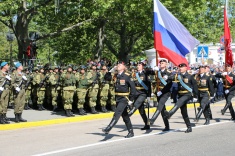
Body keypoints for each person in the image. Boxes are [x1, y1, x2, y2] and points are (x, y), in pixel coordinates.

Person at [102, 61, 136, 138]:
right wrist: (111, 70)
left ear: (124, 67)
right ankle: (131, 132)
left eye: (120, 65)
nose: (118, 66)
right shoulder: (115, 75)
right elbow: (106, 78)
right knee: (125, 116)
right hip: (117, 98)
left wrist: (131, 100)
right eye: (118, 65)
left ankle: (109, 128)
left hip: (124, 98)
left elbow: (133, 89)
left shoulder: (127, 76)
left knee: (117, 113)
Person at [164, 63, 198, 133]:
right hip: (180, 94)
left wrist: (195, 96)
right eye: (180, 67)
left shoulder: (190, 76)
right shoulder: (177, 76)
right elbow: (171, 77)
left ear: (186, 68)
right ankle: (189, 127)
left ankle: (170, 113)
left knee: (179, 102)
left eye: (182, 67)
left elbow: (195, 86)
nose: (180, 68)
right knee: (184, 112)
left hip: (187, 94)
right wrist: (166, 77)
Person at [128, 61, 153, 130]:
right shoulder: (134, 74)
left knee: (137, 103)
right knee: (141, 110)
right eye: (137, 65)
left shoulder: (145, 74)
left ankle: (130, 113)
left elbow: (149, 86)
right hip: (136, 93)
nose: (138, 66)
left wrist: (149, 97)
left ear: (142, 66)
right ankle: (147, 124)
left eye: (139, 65)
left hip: (143, 93)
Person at [149, 59, 173, 131]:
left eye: (163, 63)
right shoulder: (157, 72)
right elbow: (148, 73)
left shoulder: (169, 72)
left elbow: (170, 82)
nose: (161, 64)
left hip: (165, 92)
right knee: (162, 110)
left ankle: (152, 119)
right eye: (160, 63)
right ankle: (167, 126)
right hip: (158, 92)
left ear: (166, 65)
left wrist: (162, 92)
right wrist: (152, 69)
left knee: (160, 105)